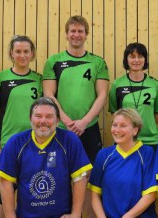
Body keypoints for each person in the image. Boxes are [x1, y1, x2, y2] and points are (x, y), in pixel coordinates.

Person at [0, 97, 92, 217]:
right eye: (38, 116)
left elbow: (80, 178)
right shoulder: (15, 142)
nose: (43, 121)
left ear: (57, 120)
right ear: (30, 119)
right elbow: (5, 183)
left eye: (49, 116)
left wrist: (75, 214)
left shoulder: (70, 140)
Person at [0, 35, 43, 218]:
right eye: (18, 51)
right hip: (8, 142)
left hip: (34, 142)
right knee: (7, 186)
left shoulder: (39, 79)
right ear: (11, 53)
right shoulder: (1, 78)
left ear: (32, 53)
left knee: (30, 185)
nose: (22, 55)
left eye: (26, 51)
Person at [42, 15, 109, 162]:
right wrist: (66, 121)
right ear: (66, 34)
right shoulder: (53, 61)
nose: (76, 35)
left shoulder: (98, 62)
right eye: (73, 31)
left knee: (91, 174)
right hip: (59, 126)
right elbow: (48, 94)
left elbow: (102, 95)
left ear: (86, 35)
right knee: (58, 171)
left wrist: (84, 122)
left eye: (80, 31)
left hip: (89, 127)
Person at [89, 108, 158, 218]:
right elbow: (95, 195)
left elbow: (150, 194)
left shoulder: (147, 153)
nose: (117, 130)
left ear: (135, 130)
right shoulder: (103, 155)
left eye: (123, 126)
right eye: (115, 125)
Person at [109, 43, 158, 149]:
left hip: (150, 140)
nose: (136, 60)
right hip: (125, 139)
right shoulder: (117, 84)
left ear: (145, 59)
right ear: (126, 60)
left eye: (140, 56)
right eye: (132, 56)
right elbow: (114, 113)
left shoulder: (155, 84)